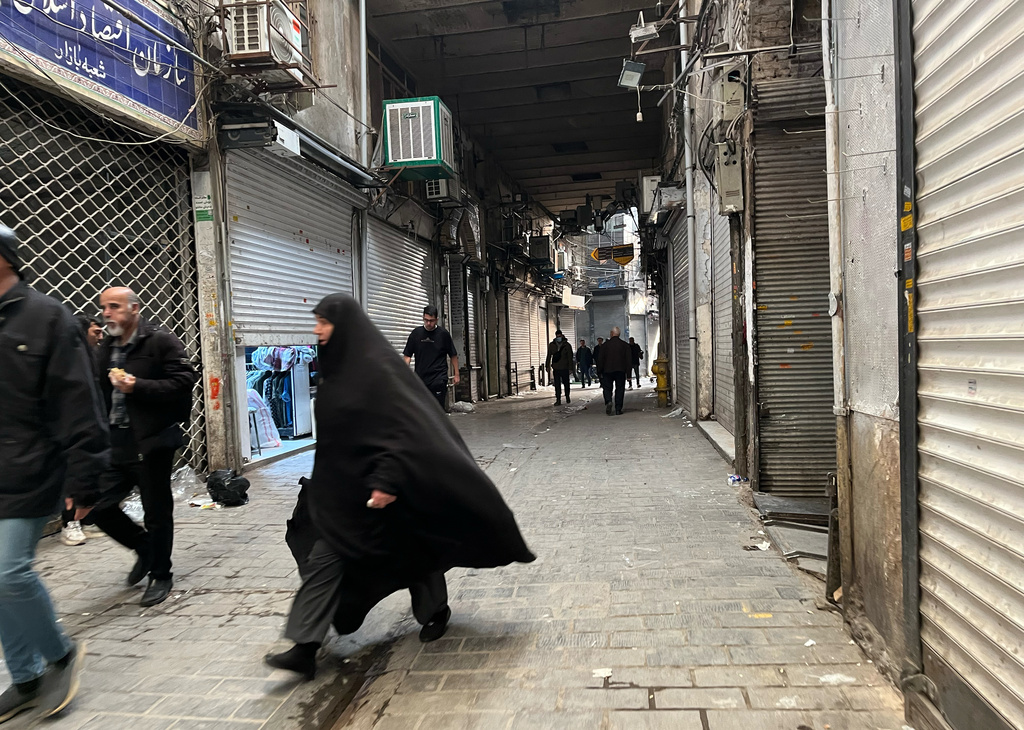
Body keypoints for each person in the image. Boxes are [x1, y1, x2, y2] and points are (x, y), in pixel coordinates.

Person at [265, 294, 535, 679]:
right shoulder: (336, 369)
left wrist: (386, 481)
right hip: (346, 497)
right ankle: (304, 648)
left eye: (323, 322)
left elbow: (402, 428)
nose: (316, 329)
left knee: (413, 556)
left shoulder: (377, 371)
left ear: (344, 326)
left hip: (386, 494)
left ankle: (436, 610)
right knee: (325, 559)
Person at [0, 224, 106, 723]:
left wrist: (85, 480)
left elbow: (79, 403)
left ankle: (61, 656)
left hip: (31, 467)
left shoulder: (47, 318)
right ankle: (25, 679)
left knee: (8, 570)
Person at [84, 287, 197, 608]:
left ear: (134, 309)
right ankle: (145, 548)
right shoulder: (107, 347)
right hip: (115, 441)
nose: (107, 313)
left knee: (156, 512)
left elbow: (184, 380)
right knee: (97, 506)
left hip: (151, 441)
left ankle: (161, 575)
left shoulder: (160, 341)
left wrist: (138, 385)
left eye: (114, 306)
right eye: (104, 307)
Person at [60, 315, 105, 548]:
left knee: (92, 475)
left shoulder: (94, 355)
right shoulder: (67, 357)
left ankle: (86, 520)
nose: (100, 336)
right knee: (73, 477)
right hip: (72, 426)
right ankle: (69, 523)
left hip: (93, 423)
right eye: (95, 332)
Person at [403, 305, 459, 411]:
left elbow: (453, 355)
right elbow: (407, 355)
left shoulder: (443, 334)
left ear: (437, 319)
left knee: (437, 410)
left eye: (431, 321)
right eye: (426, 320)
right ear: (423, 318)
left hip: (439, 378)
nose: (428, 323)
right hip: (421, 379)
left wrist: (456, 374)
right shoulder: (416, 334)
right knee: (422, 411)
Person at [597, 327, 631, 416]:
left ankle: (608, 401)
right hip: (620, 371)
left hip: (607, 371)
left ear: (611, 333)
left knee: (607, 388)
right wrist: (629, 374)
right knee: (620, 389)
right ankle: (618, 409)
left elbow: (600, 359)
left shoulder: (605, 346)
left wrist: (599, 371)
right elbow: (628, 361)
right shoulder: (625, 345)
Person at [545, 329, 575, 405]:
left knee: (566, 383)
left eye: (560, 336)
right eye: (557, 336)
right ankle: (558, 399)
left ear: (562, 335)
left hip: (565, 367)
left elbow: (570, 357)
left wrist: (570, 368)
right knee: (557, 384)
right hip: (556, 367)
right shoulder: (552, 345)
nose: (559, 337)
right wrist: (547, 365)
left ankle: (567, 396)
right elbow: (549, 355)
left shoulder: (567, 345)